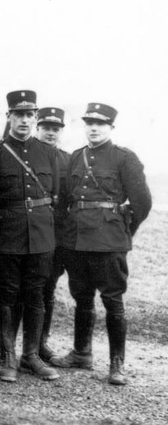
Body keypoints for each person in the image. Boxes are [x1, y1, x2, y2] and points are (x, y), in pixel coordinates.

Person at [51, 103, 151, 386]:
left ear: (111, 128)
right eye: (89, 123)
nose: (93, 128)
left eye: (100, 124)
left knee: (112, 301)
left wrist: (122, 231)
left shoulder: (125, 158)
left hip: (109, 242)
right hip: (77, 240)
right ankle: (82, 353)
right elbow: (67, 199)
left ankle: (116, 365)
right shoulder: (76, 157)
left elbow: (142, 203)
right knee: (82, 297)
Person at [0, 90, 61, 382]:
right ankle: (8, 358)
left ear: (35, 118)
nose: (25, 120)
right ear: (9, 117)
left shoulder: (49, 153)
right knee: (8, 295)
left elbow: (57, 197)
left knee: (36, 296)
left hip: (41, 238)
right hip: (8, 238)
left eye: (29, 115)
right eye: (19, 115)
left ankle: (31, 356)